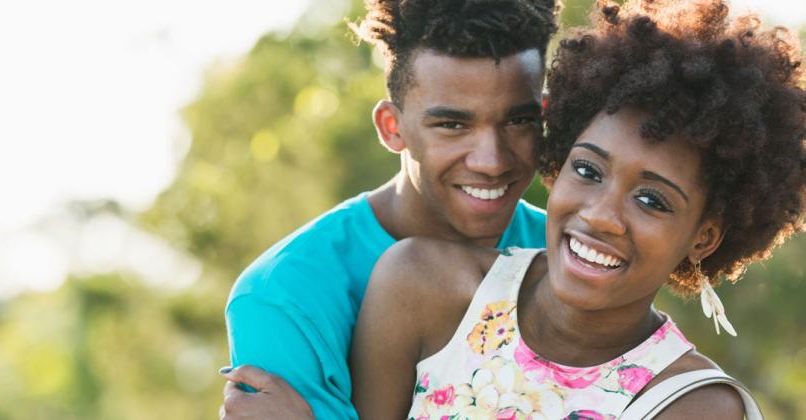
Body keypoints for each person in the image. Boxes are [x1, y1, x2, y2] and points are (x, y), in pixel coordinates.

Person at [350, 0, 806, 418]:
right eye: (588, 171)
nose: (601, 215)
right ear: (557, 160)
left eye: (651, 200)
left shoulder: (691, 406)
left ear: (703, 236)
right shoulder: (418, 286)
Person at [219, 1, 561, 418]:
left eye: (517, 121)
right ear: (392, 128)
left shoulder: (570, 260)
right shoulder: (285, 295)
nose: (491, 161)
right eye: (452, 125)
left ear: (544, 117)